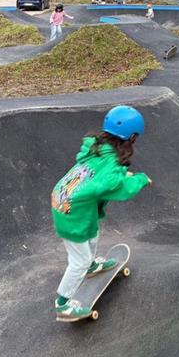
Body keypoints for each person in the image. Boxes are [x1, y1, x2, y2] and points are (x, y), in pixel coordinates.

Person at [51, 106, 152, 320]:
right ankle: (63, 303)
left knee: (92, 231)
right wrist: (140, 179)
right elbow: (116, 188)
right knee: (78, 261)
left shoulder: (97, 147)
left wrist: (123, 173)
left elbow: (101, 176)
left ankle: (92, 264)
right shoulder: (112, 162)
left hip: (65, 198)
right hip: (70, 212)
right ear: (132, 137)